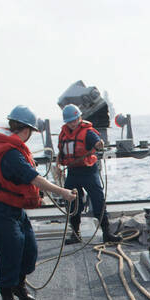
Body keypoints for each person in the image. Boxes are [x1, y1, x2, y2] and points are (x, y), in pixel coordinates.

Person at [0, 105, 77, 300]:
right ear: (25, 129)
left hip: (15, 211)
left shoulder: (11, 148)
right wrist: (62, 192)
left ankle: (19, 285)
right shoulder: (12, 155)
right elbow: (33, 178)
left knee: (29, 250)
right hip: (0, 212)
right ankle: (7, 296)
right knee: (10, 253)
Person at [57, 103, 117, 244]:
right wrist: (58, 164)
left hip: (89, 172)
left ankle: (106, 233)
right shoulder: (63, 134)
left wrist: (99, 144)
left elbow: (97, 143)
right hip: (72, 173)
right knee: (72, 203)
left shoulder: (88, 133)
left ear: (79, 118)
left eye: (74, 120)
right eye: (69, 121)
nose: (72, 124)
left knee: (98, 201)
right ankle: (75, 234)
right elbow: (61, 151)